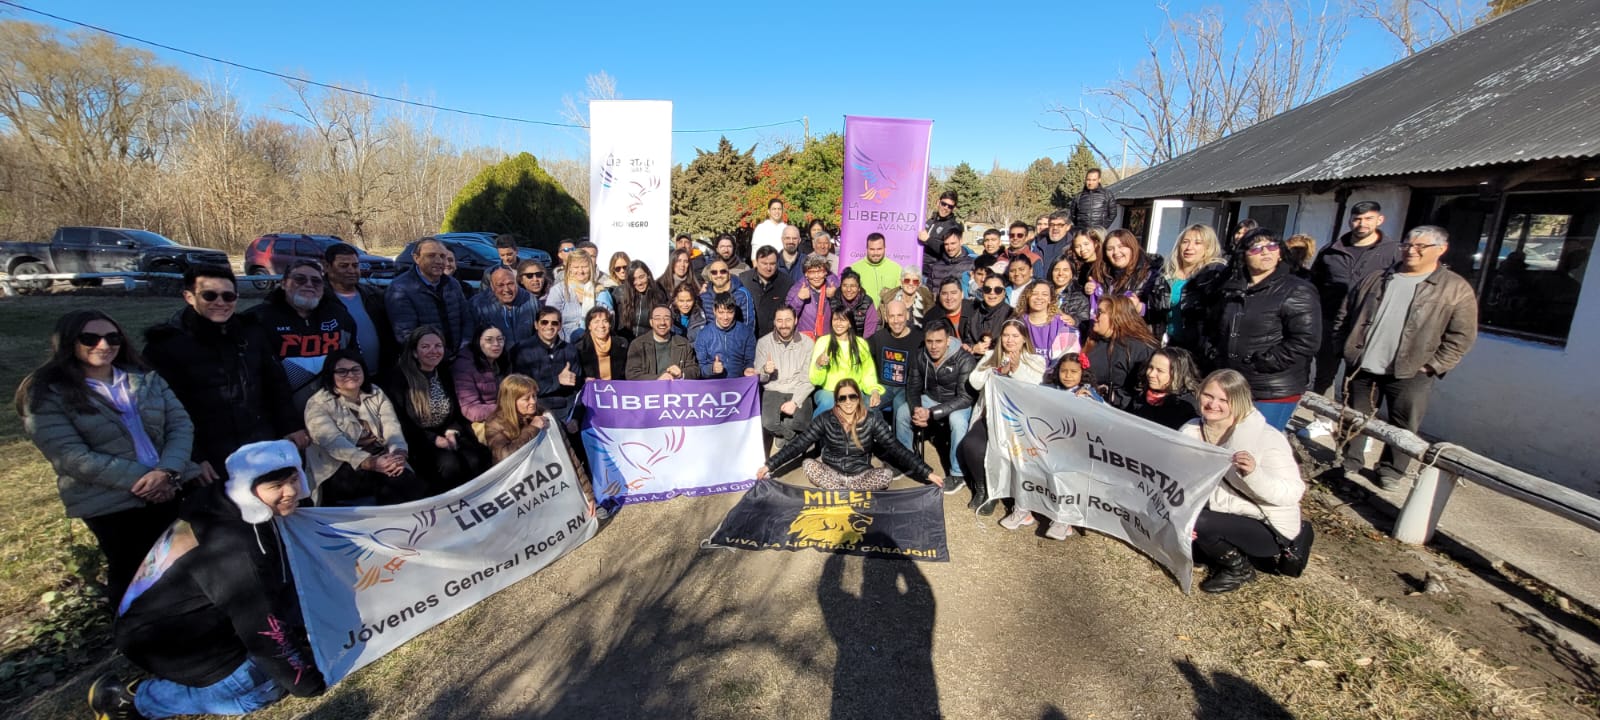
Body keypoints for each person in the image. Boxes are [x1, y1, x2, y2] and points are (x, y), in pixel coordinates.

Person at [87, 440, 325, 720]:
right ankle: (132, 700)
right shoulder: (233, 547)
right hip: (166, 640)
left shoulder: (224, 503)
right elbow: (262, 627)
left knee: (273, 672)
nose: (290, 492)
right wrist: (307, 682)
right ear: (248, 488)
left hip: (196, 624)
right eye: (276, 486)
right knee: (264, 689)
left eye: (294, 479)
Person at [18, 310, 193, 603]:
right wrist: (146, 480)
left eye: (112, 337)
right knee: (133, 574)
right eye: (90, 338)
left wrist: (167, 471)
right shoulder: (47, 395)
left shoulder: (145, 378)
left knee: (180, 565)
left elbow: (181, 425)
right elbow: (70, 456)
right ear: (68, 342)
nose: (104, 345)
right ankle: (134, 636)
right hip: (111, 500)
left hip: (170, 485)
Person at [1334, 225, 1478, 490]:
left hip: (1412, 369)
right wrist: (1343, 347)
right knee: (1354, 416)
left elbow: (1462, 336)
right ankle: (1348, 461)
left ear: (1441, 249)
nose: (1411, 251)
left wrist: (1433, 365)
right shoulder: (1376, 278)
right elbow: (1346, 314)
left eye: (1420, 247)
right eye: (1407, 245)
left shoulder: (1454, 288)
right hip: (1362, 364)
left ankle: (1391, 470)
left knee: (1403, 425)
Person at [144, 265, 303, 479]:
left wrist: (290, 426)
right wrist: (193, 457)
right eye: (209, 296)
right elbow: (162, 410)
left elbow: (276, 384)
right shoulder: (166, 345)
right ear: (189, 297)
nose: (220, 303)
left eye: (228, 296)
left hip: (262, 442)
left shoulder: (251, 332)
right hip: (210, 454)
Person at [1182, 370, 1306, 593]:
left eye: (1223, 400)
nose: (1213, 404)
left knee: (1200, 522)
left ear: (1238, 402)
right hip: (1222, 512)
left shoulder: (1266, 438)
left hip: (1266, 523)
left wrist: (1254, 474)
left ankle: (1239, 569)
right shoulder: (1191, 430)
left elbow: (1292, 492)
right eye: (1208, 396)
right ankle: (1204, 547)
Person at [1198, 229, 1322, 430]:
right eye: (1256, 248)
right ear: (1243, 255)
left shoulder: (1296, 289)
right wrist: (1213, 352)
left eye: (1272, 246)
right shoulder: (1230, 287)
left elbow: (1306, 340)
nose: (1265, 252)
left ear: (1280, 252)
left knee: (1255, 448)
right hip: (1232, 381)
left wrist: (1265, 362)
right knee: (1224, 441)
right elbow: (1213, 325)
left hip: (1271, 387)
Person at [756, 379, 941, 492]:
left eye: (852, 397)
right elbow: (799, 444)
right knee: (808, 464)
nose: (848, 402)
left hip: (859, 474)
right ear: (836, 400)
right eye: (842, 398)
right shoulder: (825, 419)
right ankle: (844, 489)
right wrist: (769, 465)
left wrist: (927, 472)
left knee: (886, 475)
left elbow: (895, 447)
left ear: (858, 398)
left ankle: (843, 490)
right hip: (832, 472)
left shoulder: (871, 419)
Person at [1309, 201, 1402, 410]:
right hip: (1330, 321)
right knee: (1325, 374)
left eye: (1368, 218)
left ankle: (1355, 425)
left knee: (1360, 378)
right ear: (1350, 220)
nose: (1362, 224)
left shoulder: (1394, 253)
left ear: (1380, 220)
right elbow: (1314, 284)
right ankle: (1322, 419)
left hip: (1367, 325)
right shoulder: (1332, 251)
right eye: (1357, 219)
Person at [303, 350, 425, 506]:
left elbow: (391, 426)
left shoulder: (375, 392)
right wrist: (371, 463)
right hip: (339, 467)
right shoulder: (317, 404)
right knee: (393, 484)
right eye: (342, 371)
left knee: (405, 479)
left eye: (355, 369)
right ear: (330, 375)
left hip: (381, 457)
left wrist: (398, 453)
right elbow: (333, 443)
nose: (350, 374)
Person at [956, 320, 1047, 517]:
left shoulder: (1034, 360)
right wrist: (994, 368)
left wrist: (1015, 369)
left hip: (1016, 421)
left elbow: (1035, 386)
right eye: (1006, 335)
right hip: (989, 416)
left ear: (1024, 339)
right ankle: (984, 488)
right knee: (971, 445)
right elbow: (975, 382)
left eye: (1015, 336)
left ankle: (1001, 492)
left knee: (1002, 452)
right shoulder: (990, 356)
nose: (1010, 340)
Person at [385, 326, 490, 494]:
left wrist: (452, 430)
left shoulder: (443, 372)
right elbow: (400, 421)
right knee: (450, 465)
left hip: (447, 431)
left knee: (476, 458)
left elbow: (456, 409)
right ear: (414, 352)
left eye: (438, 346)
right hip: (417, 439)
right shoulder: (399, 378)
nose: (433, 351)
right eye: (425, 347)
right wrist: (434, 439)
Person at [244, 259, 359, 411]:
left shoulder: (340, 316)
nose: (309, 284)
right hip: (280, 416)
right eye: (300, 279)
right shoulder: (258, 319)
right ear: (284, 283)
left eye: (316, 281)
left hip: (335, 413)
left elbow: (355, 360)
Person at [902, 318, 976, 495]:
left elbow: (965, 397)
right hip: (931, 398)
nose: (934, 346)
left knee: (957, 421)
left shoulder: (964, 359)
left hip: (957, 401)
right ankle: (905, 459)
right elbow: (912, 388)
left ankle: (958, 474)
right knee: (903, 412)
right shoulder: (920, 355)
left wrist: (932, 413)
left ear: (948, 340)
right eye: (929, 341)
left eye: (939, 341)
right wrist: (917, 409)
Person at [385, 238, 473, 351]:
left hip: (457, 357)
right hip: (425, 361)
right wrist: (436, 354)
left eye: (442, 256)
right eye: (431, 256)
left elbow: (467, 319)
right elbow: (406, 335)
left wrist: (463, 350)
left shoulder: (452, 284)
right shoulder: (400, 289)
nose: (439, 261)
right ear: (416, 258)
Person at [325, 243, 394, 378]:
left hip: (380, 376)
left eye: (355, 265)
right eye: (344, 266)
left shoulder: (374, 296)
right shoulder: (320, 300)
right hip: (343, 379)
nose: (351, 270)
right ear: (327, 267)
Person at [510, 307, 585, 429]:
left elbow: (578, 391)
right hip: (535, 410)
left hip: (565, 411)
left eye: (554, 323)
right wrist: (557, 381)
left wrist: (575, 418)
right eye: (544, 322)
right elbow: (520, 389)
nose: (549, 326)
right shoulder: (522, 350)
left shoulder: (570, 350)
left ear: (560, 326)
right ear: (536, 325)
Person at [1086, 229, 1170, 335]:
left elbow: (1161, 313)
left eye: (1121, 247)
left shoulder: (1152, 275)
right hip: (1107, 337)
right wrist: (1091, 290)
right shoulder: (1103, 275)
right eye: (1110, 249)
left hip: (1137, 340)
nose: (1116, 252)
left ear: (1132, 248)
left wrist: (1140, 308)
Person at [755, 306, 816, 450]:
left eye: (788, 320)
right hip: (774, 388)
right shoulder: (764, 343)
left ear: (796, 320)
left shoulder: (807, 343)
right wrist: (765, 370)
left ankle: (788, 435)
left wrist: (795, 402)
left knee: (799, 422)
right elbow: (760, 377)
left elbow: (809, 379)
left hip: (798, 388)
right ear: (774, 323)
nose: (784, 325)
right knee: (768, 423)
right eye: (779, 321)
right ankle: (793, 438)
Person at [1083, 295, 1159, 409]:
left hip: (1120, 412)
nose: (1095, 317)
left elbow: (1145, 391)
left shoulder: (1141, 349)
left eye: (1100, 312)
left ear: (1116, 317)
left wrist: (1115, 396)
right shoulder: (1092, 342)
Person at [1164, 224, 1230, 349]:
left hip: (1197, 348)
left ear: (1208, 247)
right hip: (1168, 344)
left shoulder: (1215, 276)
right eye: (1185, 242)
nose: (1189, 247)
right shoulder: (1166, 275)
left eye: (1198, 243)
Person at [809, 307, 883, 417]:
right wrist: (818, 365)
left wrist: (874, 390)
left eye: (843, 320)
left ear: (850, 323)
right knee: (828, 402)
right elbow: (815, 380)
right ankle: (817, 432)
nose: (838, 323)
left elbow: (868, 372)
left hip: (853, 391)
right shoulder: (823, 342)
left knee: (870, 407)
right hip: (829, 391)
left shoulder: (860, 343)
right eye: (835, 319)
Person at [867, 300, 923, 439]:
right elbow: (859, 350)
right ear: (886, 318)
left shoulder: (919, 338)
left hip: (907, 387)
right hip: (884, 386)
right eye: (892, 316)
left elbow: (939, 343)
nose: (896, 320)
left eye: (900, 315)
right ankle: (887, 439)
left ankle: (902, 453)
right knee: (866, 405)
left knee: (901, 407)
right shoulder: (879, 337)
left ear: (907, 316)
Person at [1124, 347, 1201, 430]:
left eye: (1160, 371)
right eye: (1150, 367)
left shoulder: (1185, 406)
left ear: (1177, 374)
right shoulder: (1141, 394)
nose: (1151, 374)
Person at [546, 249, 613, 341]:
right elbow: (550, 319)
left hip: (595, 343)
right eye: (576, 267)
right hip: (564, 343)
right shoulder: (558, 291)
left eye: (584, 267)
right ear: (569, 268)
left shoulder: (601, 292)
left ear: (590, 267)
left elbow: (608, 320)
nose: (580, 271)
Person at [452, 324, 511, 429]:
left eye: (500, 339)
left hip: (505, 415)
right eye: (489, 340)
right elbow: (470, 409)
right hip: (479, 422)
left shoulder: (503, 360)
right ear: (478, 342)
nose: (496, 344)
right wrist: (505, 410)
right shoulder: (464, 365)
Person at [625, 304, 702, 381]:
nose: (662, 322)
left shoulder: (684, 343)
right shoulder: (638, 344)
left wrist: (682, 373)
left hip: (675, 391)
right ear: (651, 322)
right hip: (648, 391)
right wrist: (657, 379)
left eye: (666, 318)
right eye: (657, 318)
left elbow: (695, 370)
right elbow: (631, 374)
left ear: (671, 322)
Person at [483, 374, 548, 463]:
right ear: (511, 401)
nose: (533, 401)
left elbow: (563, 445)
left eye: (534, 396)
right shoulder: (495, 424)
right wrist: (533, 428)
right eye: (526, 399)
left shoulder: (541, 412)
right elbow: (504, 456)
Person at [1015, 279, 1082, 366]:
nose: (1039, 297)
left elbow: (1069, 359)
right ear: (1027, 297)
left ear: (1050, 299)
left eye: (1045, 294)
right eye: (1034, 294)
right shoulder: (1017, 323)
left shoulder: (1062, 324)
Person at [471, 266, 540, 348]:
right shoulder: (477, 304)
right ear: (492, 287)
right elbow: (469, 339)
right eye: (500, 285)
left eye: (510, 284)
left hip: (527, 357)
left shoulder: (531, 301)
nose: (506, 289)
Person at [694, 297, 757, 378]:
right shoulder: (703, 334)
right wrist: (711, 369)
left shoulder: (746, 332)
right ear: (714, 311)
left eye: (730, 312)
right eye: (721, 312)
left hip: (739, 382)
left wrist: (749, 368)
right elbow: (699, 368)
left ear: (735, 311)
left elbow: (751, 360)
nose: (725, 317)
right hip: (714, 384)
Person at [741, 245, 795, 338]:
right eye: (764, 263)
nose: (768, 268)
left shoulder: (786, 283)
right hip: (748, 336)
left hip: (775, 338)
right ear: (756, 262)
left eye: (772, 263)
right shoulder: (744, 280)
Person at [960, 276, 1016, 357]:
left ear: (1004, 293)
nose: (992, 293)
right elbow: (968, 343)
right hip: (977, 362)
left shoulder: (1012, 314)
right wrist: (974, 348)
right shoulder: (973, 315)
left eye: (998, 290)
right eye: (987, 289)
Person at [787, 255, 840, 340]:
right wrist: (799, 299)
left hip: (828, 339)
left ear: (826, 272)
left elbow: (843, 313)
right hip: (804, 340)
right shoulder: (797, 288)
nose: (816, 276)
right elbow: (787, 317)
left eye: (820, 271)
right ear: (806, 274)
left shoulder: (834, 286)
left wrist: (835, 297)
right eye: (812, 272)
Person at [614, 260, 668, 341]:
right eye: (634, 279)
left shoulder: (658, 295)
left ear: (648, 275)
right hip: (625, 342)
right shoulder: (620, 293)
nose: (639, 282)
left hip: (649, 343)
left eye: (641, 277)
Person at [574, 305, 628, 383]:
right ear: (589, 326)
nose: (601, 325)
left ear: (610, 325)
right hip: (593, 391)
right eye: (596, 321)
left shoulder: (622, 344)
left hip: (617, 390)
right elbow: (576, 376)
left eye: (605, 321)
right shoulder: (580, 348)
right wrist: (583, 380)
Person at [699, 258, 757, 330]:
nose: (719, 275)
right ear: (710, 276)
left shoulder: (742, 294)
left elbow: (748, 324)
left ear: (729, 275)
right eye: (714, 272)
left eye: (723, 271)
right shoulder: (704, 296)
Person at [848, 233, 902, 307]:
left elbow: (900, 296)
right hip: (863, 316)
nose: (875, 253)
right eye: (872, 249)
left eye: (879, 249)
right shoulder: (855, 268)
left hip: (888, 316)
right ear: (867, 248)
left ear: (885, 248)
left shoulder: (896, 268)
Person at [830, 269, 880, 338]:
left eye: (853, 286)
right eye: (845, 285)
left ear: (859, 288)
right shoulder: (833, 301)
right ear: (840, 286)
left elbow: (869, 332)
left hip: (860, 343)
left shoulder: (867, 302)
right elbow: (827, 328)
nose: (848, 290)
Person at [919, 190, 963, 267]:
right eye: (943, 204)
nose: (946, 208)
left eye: (950, 206)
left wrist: (928, 240)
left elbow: (949, 250)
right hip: (918, 264)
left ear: (953, 208)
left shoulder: (953, 227)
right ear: (938, 202)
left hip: (933, 270)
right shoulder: (930, 221)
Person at [924, 227, 974, 295]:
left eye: (953, 243)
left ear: (961, 241)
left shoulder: (972, 265)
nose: (950, 248)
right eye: (946, 244)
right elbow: (928, 294)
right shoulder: (935, 267)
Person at [1046, 255, 1092, 329]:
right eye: (1057, 270)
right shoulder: (1044, 295)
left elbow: (1086, 324)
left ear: (1072, 274)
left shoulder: (1080, 299)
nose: (1060, 273)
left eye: (1065, 270)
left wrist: (1074, 321)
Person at [1033, 212, 1073, 280]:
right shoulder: (1039, 246)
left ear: (1068, 227)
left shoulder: (1073, 246)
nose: (1055, 228)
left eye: (1060, 225)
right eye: (1052, 224)